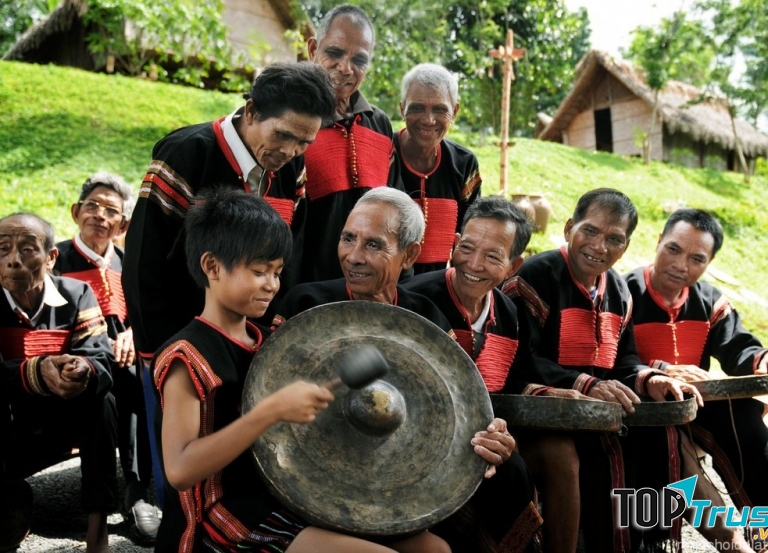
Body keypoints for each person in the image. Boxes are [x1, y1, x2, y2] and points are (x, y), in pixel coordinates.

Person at [151, 187, 448, 553]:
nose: (272, 285)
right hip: (221, 518)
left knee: (434, 549)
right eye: (260, 272)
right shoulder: (187, 356)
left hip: (283, 496)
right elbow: (180, 470)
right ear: (212, 267)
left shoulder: (266, 340)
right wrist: (271, 411)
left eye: (277, 273)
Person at [274, 188, 540, 552]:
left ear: (411, 254)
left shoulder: (427, 317)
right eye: (348, 238)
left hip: (398, 464)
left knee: (508, 471)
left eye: (373, 245)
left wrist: (490, 432)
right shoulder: (304, 303)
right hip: (317, 467)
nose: (353, 256)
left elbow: (451, 408)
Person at [122, 62, 335, 505]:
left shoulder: (290, 170)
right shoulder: (187, 154)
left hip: (238, 338)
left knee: (232, 461)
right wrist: (155, 353)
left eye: (304, 142)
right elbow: (143, 262)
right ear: (252, 111)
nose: (292, 150)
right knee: (180, 474)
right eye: (283, 135)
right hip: (179, 340)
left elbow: (286, 257)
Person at [502, 188, 701, 553]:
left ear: (624, 247)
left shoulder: (621, 291)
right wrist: (585, 383)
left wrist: (649, 378)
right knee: (580, 455)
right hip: (537, 417)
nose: (599, 245)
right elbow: (517, 357)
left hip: (596, 418)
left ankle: (648, 546)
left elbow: (624, 360)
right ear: (568, 229)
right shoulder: (535, 277)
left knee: (662, 436)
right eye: (590, 231)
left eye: (614, 239)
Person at [404, 196, 586, 553]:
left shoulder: (507, 312)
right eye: (467, 248)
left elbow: (510, 378)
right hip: (420, 439)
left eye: (492, 256)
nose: (474, 264)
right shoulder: (414, 300)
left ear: (513, 265)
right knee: (510, 472)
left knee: (555, 454)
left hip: (484, 435)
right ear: (454, 244)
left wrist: (543, 394)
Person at [626, 208, 768, 549]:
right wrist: (660, 369)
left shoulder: (710, 302)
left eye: (696, 258)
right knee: (666, 443)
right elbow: (614, 356)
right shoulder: (624, 293)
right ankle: (661, 541)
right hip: (641, 405)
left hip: (695, 404)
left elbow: (738, 348)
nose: (680, 265)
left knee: (745, 418)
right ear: (658, 242)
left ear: (709, 262)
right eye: (673, 249)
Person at [52, 173, 160, 544]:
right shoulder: (57, 259)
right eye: (92, 206)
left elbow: (144, 311)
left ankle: (138, 490)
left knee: (143, 378)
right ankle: (113, 498)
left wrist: (133, 333)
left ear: (123, 225)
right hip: (80, 356)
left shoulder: (131, 263)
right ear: (75, 211)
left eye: (110, 210)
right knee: (110, 389)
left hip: (126, 355)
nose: (99, 215)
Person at [0, 213, 117, 553]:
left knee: (103, 401)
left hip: (64, 420)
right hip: (11, 425)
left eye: (27, 249)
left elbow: (101, 360)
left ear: (51, 258)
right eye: (3, 249)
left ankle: (98, 524)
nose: (13, 261)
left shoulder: (77, 294)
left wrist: (81, 369)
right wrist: (37, 371)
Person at [299, 5, 402, 283]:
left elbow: (394, 212)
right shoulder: (290, 119)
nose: (345, 68)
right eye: (334, 53)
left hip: (367, 287)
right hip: (303, 288)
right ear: (312, 50)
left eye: (359, 59)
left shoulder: (380, 124)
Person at [394, 63, 481, 274]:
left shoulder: (464, 163)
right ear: (401, 108)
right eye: (417, 108)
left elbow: (471, 234)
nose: (428, 120)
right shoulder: (385, 152)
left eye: (440, 110)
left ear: (455, 111)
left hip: (438, 286)